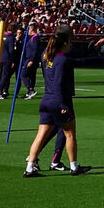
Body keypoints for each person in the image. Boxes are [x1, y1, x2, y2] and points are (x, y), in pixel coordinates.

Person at [23, 28, 89, 177]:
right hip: (58, 100)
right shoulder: (62, 59)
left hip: (46, 99)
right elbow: (59, 82)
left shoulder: (45, 56)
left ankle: (29, 167)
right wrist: (63, 105)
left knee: (40, 135)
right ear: (65, 43)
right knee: (70, 134)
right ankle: (74, 167)